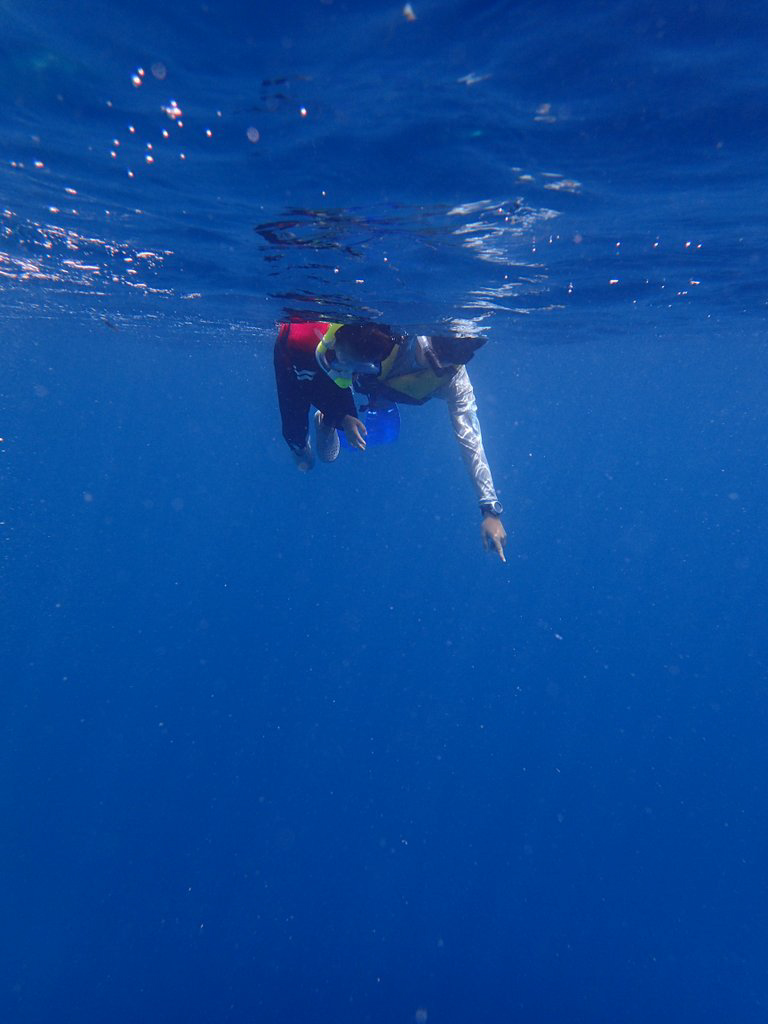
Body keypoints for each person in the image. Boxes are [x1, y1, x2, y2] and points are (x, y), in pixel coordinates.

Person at [273, 320, 507, 561]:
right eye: (431, 354)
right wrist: (341, 415)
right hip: (333, 371)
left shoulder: (454, 383)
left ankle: (327, 421)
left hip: (374, 387)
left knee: (327, 455)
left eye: (443, 364)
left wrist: (490, 508)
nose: (432, 365)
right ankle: (322, 426)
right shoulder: (385, 332)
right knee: (304, 455)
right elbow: (320, 358)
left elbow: (469, 436)